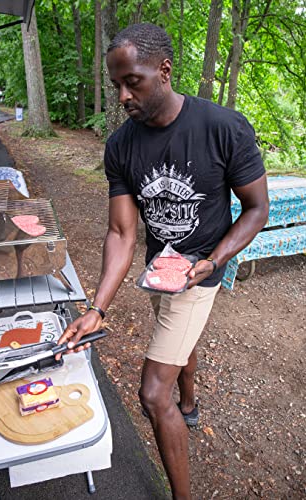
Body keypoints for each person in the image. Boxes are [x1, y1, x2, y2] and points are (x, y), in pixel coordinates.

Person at [57, 23, 269, 500]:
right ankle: (190, 401)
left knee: (153, 393)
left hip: (202, 270)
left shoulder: (222, 127)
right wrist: (97, 308)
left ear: (164, 71)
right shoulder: (120, 147)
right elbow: (121, 231)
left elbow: (257, 208)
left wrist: (214, 261)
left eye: (133, 81)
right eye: (117, 86)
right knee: (179, 344)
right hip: (163, 268)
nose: (123, 95)